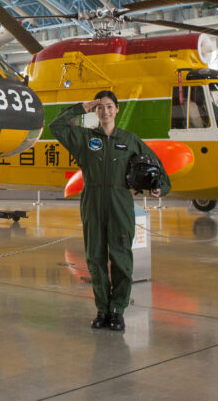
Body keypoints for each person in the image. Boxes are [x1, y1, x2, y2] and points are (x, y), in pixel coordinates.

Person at [49, 90, 170, 332]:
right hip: (92, 202)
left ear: (117, 109)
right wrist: (81, 107)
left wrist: (160, 187)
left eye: (109, 106)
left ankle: (117, 311)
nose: (105, 111)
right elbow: (56, 126)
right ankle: (102, 310)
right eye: (100, 107)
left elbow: (155, 164)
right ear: (95, 111)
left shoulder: (129, 139)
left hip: (119, 203)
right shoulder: (85, 139)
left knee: (121, 258)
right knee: (95, 259)